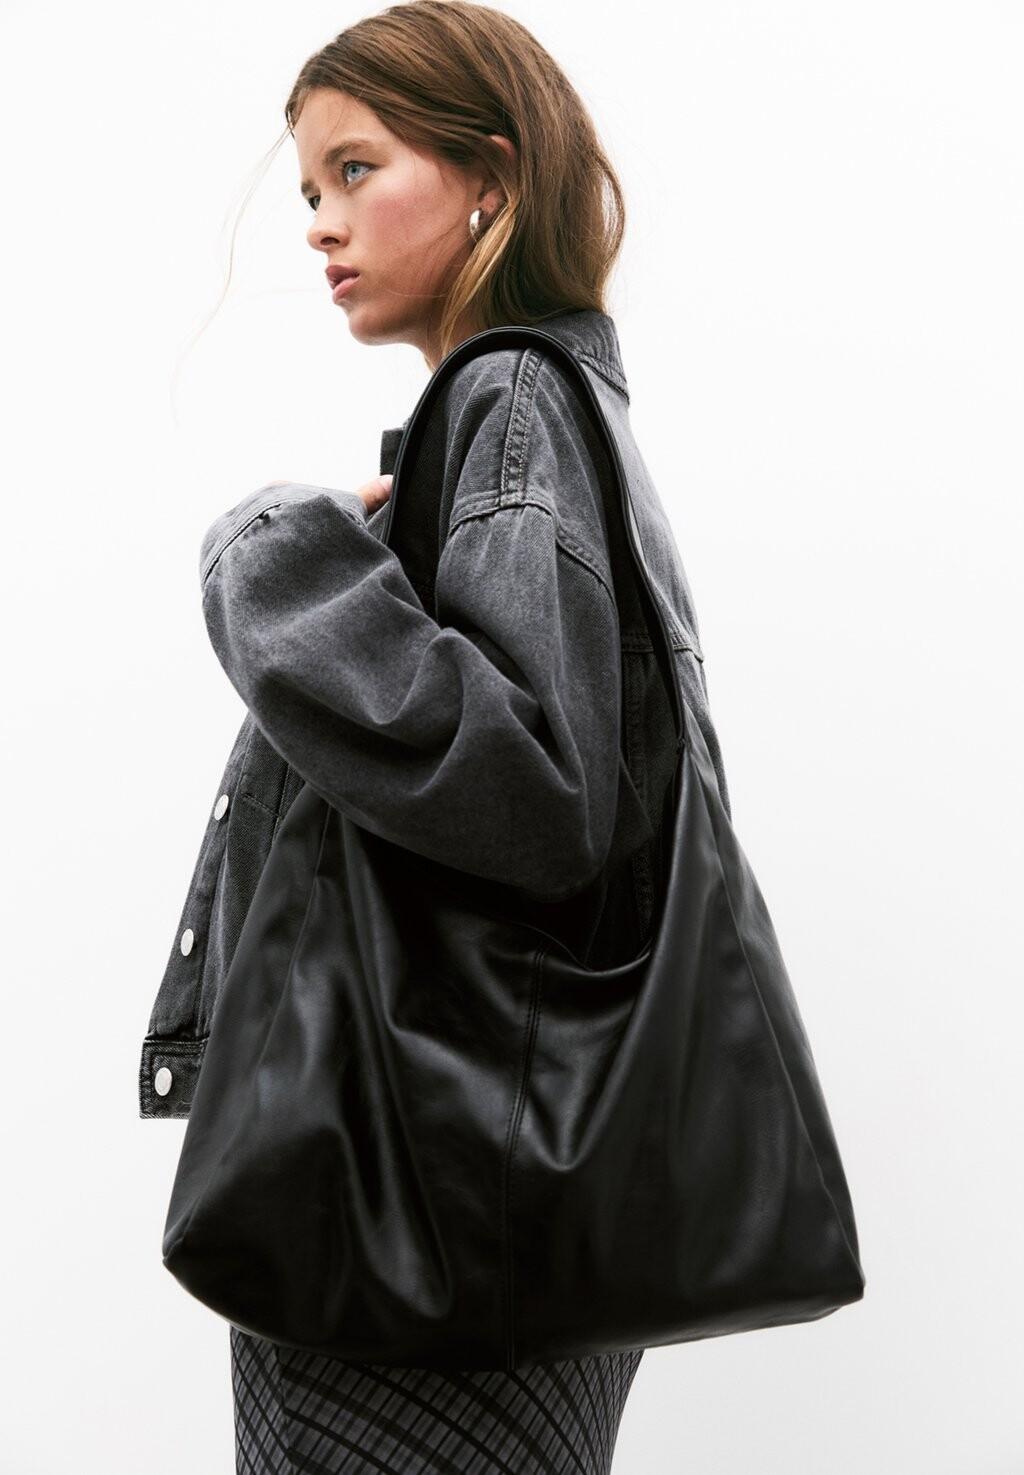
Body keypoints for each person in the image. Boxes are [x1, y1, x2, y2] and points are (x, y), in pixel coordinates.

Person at [139, 2, 733, 1469]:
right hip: (495, 1198)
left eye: (356, 169)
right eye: (309, 188)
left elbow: (529, 790)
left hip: (415, 1210)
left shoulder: (514, 403)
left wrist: (272, 552)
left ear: (493, 176)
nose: (319, 222)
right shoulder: (560, 411)